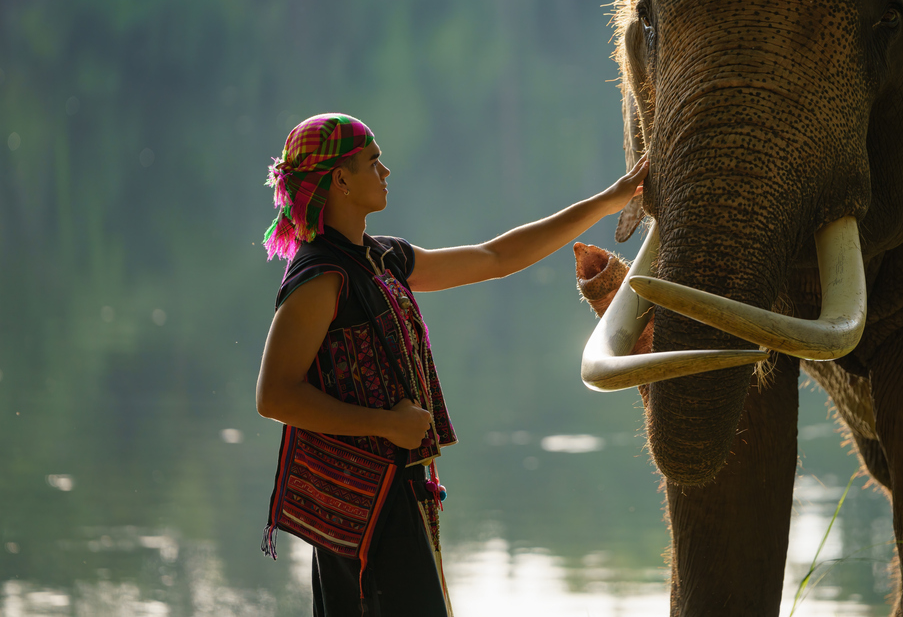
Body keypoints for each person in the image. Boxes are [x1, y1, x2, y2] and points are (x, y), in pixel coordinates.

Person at [255, 113, 647, 617]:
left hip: (398, 490)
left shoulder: (384, 258)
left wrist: (609, 200)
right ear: (341, 180)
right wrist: (385, 424)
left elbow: (495, 257)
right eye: (373, 162)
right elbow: (275, 396)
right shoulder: (320, 278)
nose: (386, 171)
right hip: (358, 507)